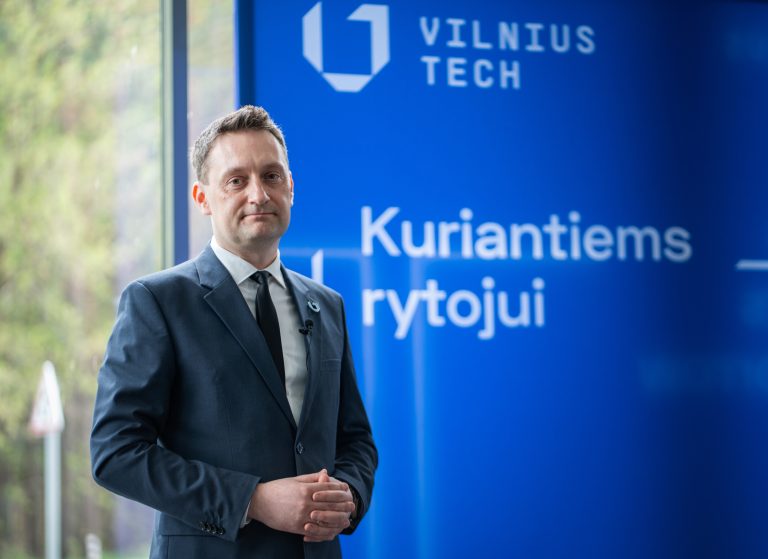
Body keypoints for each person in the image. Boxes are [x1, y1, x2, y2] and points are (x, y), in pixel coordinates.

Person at [90, 105, 377, 559]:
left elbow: (355, 438)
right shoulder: (157, 301)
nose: (259, 194)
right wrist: (253, 500)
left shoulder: (328, 305)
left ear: (291, 187)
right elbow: (115, 453)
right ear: (202, 197)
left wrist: (350, 495)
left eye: (272, 176)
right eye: (236, 180)